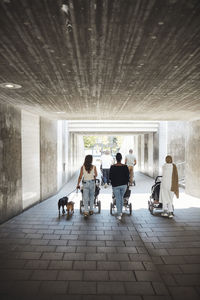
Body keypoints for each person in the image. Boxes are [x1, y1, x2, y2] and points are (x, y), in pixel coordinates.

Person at [109, 153, 129, 221]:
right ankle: (120, 212)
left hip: (115, 185)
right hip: (124, 185)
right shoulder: (125, 166)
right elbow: (127, 176)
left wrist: (112, 182)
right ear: (121, 158)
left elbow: (110, 177)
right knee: (121, 198)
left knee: (118, 198)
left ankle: (119, 213)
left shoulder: (112, 167)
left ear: (116, 159)